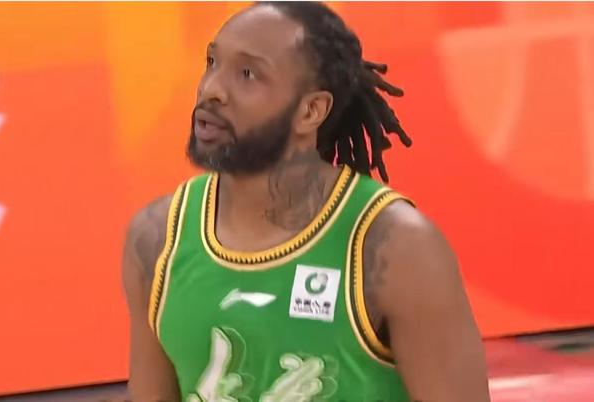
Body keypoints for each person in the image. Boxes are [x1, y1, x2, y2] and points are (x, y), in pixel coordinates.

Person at [122, 2, 490, 401]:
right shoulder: (157, 239)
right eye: (212, 62)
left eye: (248, 74)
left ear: (311, 110)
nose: (211, 89)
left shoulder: (395, 248)